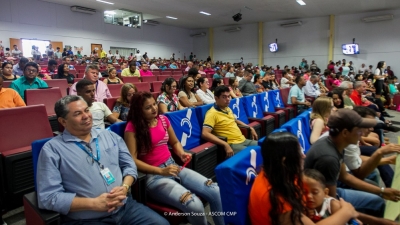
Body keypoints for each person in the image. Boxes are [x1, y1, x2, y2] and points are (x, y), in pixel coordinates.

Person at [36, 95, 168, 225]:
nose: (86, 116)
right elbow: (49, 197)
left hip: (125, 207)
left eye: (87, 110)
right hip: (86, 218)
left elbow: (129, 165)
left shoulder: (110, 135)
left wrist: (125, 186)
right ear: (63, 121)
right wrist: (94, 204)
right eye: (77, 113)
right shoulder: (52, 150)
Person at [124, 92, 224, 225]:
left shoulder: (163, 120)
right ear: (138, 110)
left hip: (173, 167)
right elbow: (133, 160)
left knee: (215, 190)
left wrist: (181, 153)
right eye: (148, 107)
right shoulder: (132, 127)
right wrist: (161, 172)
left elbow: (175, 143)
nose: (154, 108)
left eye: (154, 104)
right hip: (153, 177)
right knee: (195, 205)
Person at [305, 108, 400, 217]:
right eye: (359, 129)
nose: (362, 133)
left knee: (374, 189)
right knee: (377, 203)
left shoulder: (336, 143)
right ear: (345, 132)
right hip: (321, 199)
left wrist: (382, 190)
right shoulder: (328, 158)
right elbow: (331, 203)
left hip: (328, 191)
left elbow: (345, 176)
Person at [249, 132, 358, 225]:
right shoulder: (274, 196)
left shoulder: (278, 171)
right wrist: (346, 212)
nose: (303, 156)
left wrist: (338, 206)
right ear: (284, 161)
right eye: (299, 153)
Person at [202, 86, 258, 156]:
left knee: (265, 147)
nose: (228, 99)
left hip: (243, 140)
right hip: (232, 144)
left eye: (229, 96)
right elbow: (205, 133)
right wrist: (225, 144)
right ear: (216, 98)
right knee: (253, 154)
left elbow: (235, 120)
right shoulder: (212, 113)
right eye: (224, 97)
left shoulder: (227, 108)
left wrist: (250, 127)